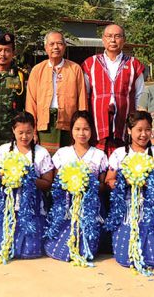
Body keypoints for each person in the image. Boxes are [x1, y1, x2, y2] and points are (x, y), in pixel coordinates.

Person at [105, 110, 154, 273]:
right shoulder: (120, 154)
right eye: (139, 130)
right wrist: (126, 182)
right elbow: (109, 180)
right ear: (129, 130)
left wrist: (151, 183)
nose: (144, 134)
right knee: (124, 258)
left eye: (148, 130)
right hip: (127, 207)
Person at [0, 111, 55, 261]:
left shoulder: (41, 153)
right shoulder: (4, 150)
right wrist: (9, 177)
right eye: (20, 133)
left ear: (34, 131)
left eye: (29, 132)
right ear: (13, 130)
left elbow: (47, 183)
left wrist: (28, 178)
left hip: (32, 206)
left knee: (29, 251)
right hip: (8, 204)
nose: (25, 136)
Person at [45, 110, 108, 264]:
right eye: (77, 129)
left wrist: (87, 185)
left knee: (86, 250)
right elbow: (56, 183)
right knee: (59, 249)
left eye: (86, 129)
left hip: (90, 209)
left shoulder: (99, 155)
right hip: (66, 207)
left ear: (92, 131)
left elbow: (103, 186)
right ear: (71, 130)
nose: (81, 133)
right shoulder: (62, 153)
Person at [82, 24, 145, 154]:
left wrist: (138, 121)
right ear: (103, 39)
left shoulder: (134, 64)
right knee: (97, 157)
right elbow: (85, 95)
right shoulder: (90, 63)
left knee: (122, 156)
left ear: (124, 40)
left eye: (117, 36)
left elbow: (140, 95)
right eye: (109, 36)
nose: (113, 40)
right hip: (97, 121)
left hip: (124, 120)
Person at [25, 31, 87, 153]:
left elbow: (82, 100)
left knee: (68, 159)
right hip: (45, 124)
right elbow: (31, 103)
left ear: (65, 46)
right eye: (52, 44)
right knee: (45, 158)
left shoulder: (75, 69)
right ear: (45, 47)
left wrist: (82, 127)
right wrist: (32, 129)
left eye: (59, 43)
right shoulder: (37, 70)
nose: (56, 47)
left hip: (69, 122)